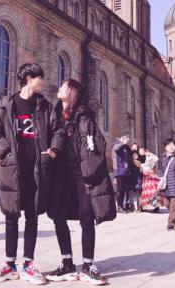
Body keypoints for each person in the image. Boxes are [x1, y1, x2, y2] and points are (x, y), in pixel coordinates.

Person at [0, 63, 63, 285]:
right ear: (29, 78)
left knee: (32, 217)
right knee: (11, 216)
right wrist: (6, 154)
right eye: (40, 77)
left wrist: (54, 150)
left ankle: (28, 264)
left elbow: (57, 130)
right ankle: (9, 264)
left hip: (37, 169)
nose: (42, 81)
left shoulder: (44, 106)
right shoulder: (7, 105)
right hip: (14, 169)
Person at [46, 79, 116, 285]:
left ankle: (87, 265)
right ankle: (67, 263)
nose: (60, 88)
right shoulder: (55, 114)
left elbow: (96, 148)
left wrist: (90, 175)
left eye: (64, 86)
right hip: (60, 174)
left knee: (86, 217)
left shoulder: (84, 117)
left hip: (81, 175)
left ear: (73, 92)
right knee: (58, 215)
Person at [112, 135, 132, 213]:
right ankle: (119, 206)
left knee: (124, 189)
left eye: (126, 138)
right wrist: (121, 142)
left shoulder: (125, 147)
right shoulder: (116, 144)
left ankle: (122, 205)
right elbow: (116, 148)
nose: (125, 139)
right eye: (123, 138)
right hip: (119, 170)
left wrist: (127, 144)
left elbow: (130, 154)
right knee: (119, 189)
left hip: (125, 171)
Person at [128, 143, 146, 212]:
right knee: (131, 191)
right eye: (133, 146)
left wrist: (143, 154)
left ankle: (139, 207)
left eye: (136, 147)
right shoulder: (129, 154)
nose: (134, 148)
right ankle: (132, 206)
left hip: (138, 174)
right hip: (131, 174)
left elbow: (143, 161)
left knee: (138, 191)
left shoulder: (139, 154)